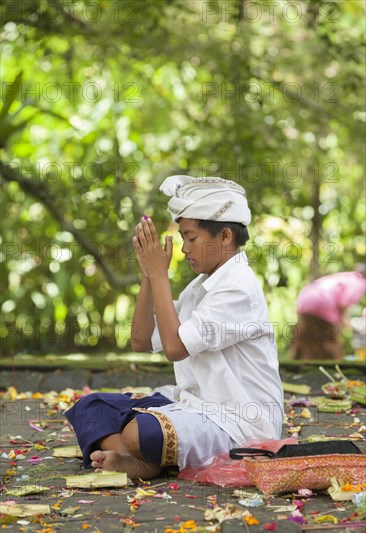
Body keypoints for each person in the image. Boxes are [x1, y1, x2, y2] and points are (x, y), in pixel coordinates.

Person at [65, 175, 284, 480]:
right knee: (91, 406)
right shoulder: (201, 287)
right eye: (183, 238)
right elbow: (140, 341)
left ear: (224, 236)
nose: (184, 250)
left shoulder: (239, 288)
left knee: (140, 433)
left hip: (237, 422)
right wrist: (147, 276)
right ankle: (140, 461)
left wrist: (160, 276)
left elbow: (174, 348)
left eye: (191, 238)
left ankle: (139, 454)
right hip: (192, 403)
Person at [290, 270, 366, 360]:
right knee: (332, 341)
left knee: (305, 338)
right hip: (323, 302)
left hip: (304, 297)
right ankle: (334, 366)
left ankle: (295, 364)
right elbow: (343, 303)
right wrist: (344, 323)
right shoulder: (360, 282)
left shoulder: (345, 276)